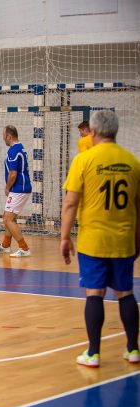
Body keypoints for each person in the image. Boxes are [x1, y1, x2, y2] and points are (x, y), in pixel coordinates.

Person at [60, 110, 140, 367]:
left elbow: (70, 203)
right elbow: (138, 207)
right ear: (116, 131)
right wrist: (137, 238)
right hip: (123, 239)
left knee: (94, 293)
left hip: (93, 240)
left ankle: (93, 353)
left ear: (92, 132)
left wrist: (64, 237)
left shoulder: (83, 160)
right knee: (125, 293)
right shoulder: (133, 162)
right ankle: (133, 349)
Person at [0, 125, 32, 257]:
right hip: (20, 188)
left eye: (4, 136)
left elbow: (13, 174)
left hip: (19, 188)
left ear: (9, 136)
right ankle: (6, 245)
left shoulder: (14, 150)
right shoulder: (20, 147)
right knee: (7, 217)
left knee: (8, 219)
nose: (3, 138)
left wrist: (7, 187)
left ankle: (24, 248)